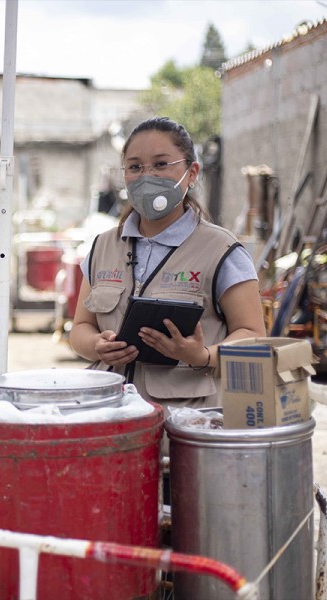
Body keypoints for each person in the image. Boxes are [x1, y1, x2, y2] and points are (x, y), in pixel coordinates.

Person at [70, 117, 266, 413]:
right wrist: (96, 345)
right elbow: (80, 328)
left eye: (161, 164)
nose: (147, 176)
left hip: (185, 419)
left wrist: (202, 355)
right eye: (135, 167)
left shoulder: (221, 250)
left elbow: (253, 335)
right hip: (109, 412)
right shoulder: (103, 246)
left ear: (192, 173)